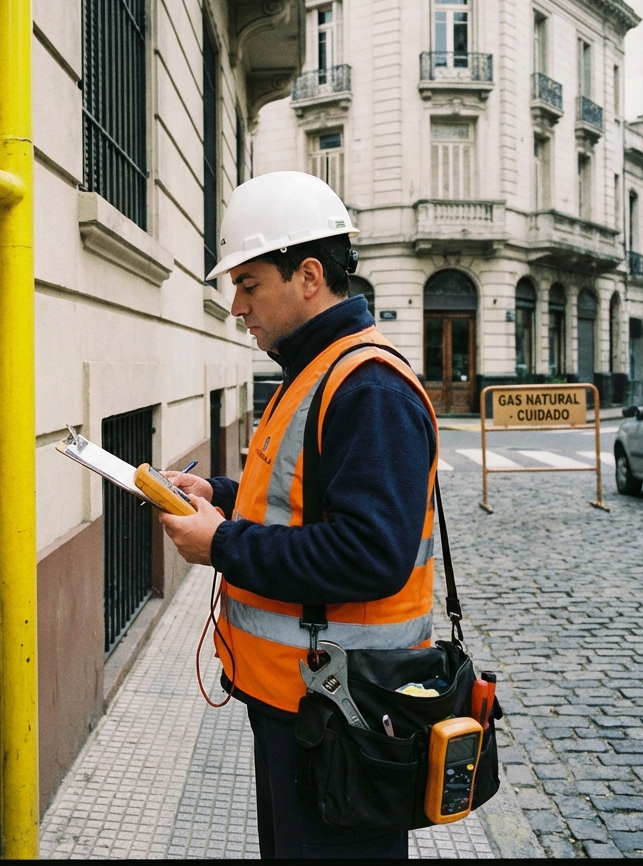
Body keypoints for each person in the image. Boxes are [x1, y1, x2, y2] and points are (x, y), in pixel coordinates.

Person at [159, 171, 439, 860]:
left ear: (308, 275)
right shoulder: (312, 369)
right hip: (304, 703)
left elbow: (369, 554)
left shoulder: (367, 386)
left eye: (249, 284)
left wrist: (222, 543)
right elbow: (298, 497)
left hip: (346, 714)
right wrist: (220, 497)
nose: (235, 306)